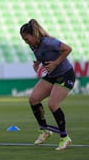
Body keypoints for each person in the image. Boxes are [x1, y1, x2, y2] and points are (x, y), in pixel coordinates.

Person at [19, 19, 75, 150]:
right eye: (23, 39)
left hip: (65, 74)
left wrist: (55, 63)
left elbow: (68, 49)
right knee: (33, 99)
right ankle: (44, 130)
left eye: (26, 39)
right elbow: (42, 54)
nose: (25, 42)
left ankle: (65, 137)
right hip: (51, 75)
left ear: (34, 35)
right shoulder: (33, 45)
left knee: (52, 104)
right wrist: (38, 62)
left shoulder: (48, 42)